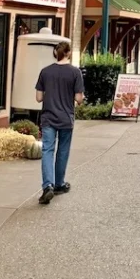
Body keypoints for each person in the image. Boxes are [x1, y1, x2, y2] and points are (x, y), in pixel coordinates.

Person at [35, 41, 83, 205]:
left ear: (56, 53)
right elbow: (78, 98)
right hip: (66, 118)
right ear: (68, 53)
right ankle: (59, 184)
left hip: (48, 117)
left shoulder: (45, 72)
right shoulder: (75, 72)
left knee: (47, 150)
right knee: (62, 151)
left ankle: (47, 185)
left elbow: (39, 97)